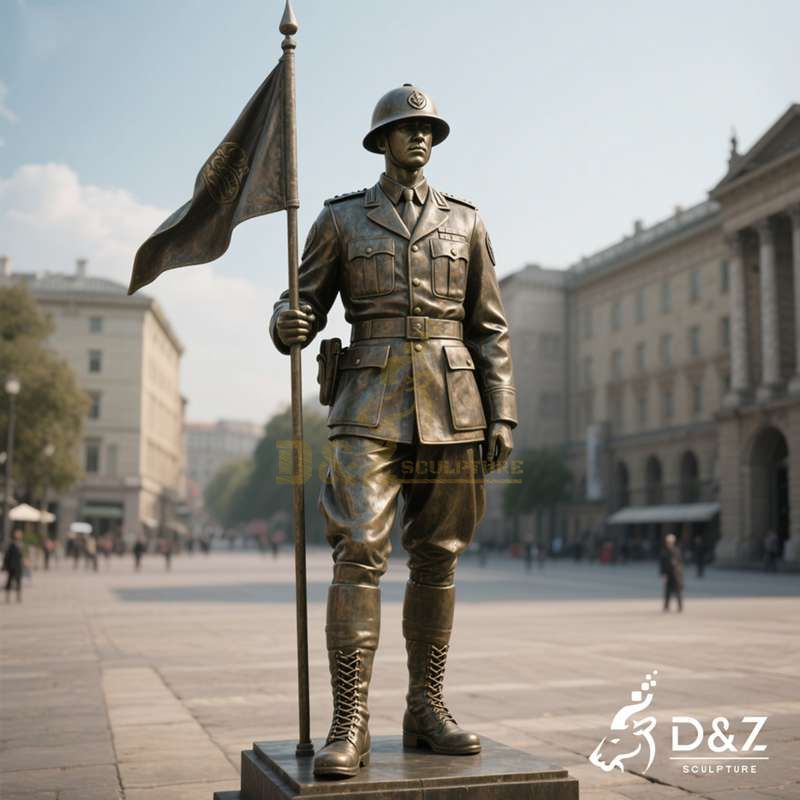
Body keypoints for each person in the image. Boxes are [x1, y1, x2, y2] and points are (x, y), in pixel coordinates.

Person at [270, 84, 516, 778]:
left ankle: (426, 707)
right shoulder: (340, 220)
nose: (420, 139)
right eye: (407, 130)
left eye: (428, 129)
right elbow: (305, 300)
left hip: (453, 402)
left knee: (439, 557)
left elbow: (490, 327)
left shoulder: (467, 222)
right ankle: (348, 721)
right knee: (358, 552)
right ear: (381, 141)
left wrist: (502, 412)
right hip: (367, 402)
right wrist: (286, 319)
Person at [660, 533, 684, 612]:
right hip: (668, 575)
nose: (669, 543)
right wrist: (663, 575)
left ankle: (680, 607)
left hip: (676, 575)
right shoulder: (664, 551)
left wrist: (678, 570)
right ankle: (666, 607)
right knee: (667, 592)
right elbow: (662, 564)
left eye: (670, 542)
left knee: (678, 592)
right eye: (668, 542)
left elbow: (680, 562)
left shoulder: (677, 550)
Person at [3, 530, 25, 603]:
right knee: (9, 581)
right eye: (18, 534)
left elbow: (22, 555)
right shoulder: (11, 544)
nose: (19, 536)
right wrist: (5, 565)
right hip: (11, 566)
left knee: (18, 581)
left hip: (18, 566)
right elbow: (7, 556)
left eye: (20, 534)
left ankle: (18, 597)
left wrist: (24, 562)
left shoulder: (21, 544)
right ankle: (7, 597)